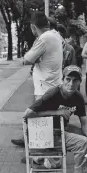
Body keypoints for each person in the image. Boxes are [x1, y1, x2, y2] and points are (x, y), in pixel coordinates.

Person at [11, 12, 63, 147]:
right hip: (52, 84)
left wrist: (34, 58)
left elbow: (27, 60)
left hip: (45, 87)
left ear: (33, 26)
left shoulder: (44, 38)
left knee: (39, 119)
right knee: (41, 118)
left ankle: (39, 154)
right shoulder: (56, 35)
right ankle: (28, 141)